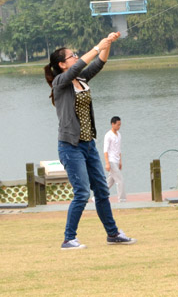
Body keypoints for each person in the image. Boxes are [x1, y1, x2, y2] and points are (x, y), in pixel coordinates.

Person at [44, 32, 136, 250]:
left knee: (102, 191)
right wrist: (97, 46)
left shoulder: (81, 79)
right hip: (70, 147)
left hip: (88, 145)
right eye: (72, 56)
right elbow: (79, 66)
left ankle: (113, 234)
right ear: (62, 64)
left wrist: (108, 43)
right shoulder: (60, 82)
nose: (76, 57)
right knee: (83, 192)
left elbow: (100, 62)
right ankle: (68, 239)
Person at [104, 116, 127, 202]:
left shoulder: (119, 135)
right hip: (111, 161)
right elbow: (105, 150)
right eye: (118, 125)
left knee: (110, 181)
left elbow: (119, 149)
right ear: (112, 124)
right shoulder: (108, 135)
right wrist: (107, 163)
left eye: (120, 125)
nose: (119, 126)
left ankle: (97, 197)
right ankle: (122, 199)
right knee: (120, 180)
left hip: (117, 160)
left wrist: (120, 161)